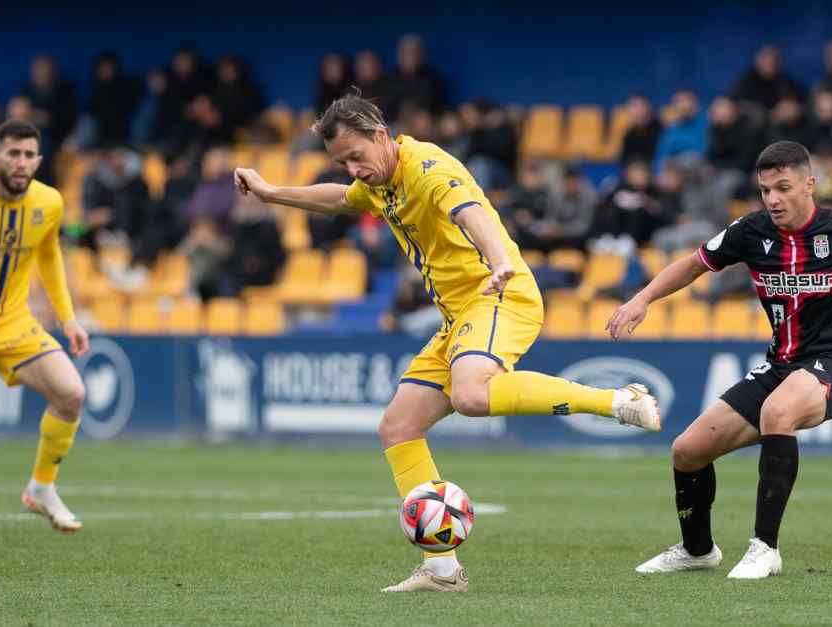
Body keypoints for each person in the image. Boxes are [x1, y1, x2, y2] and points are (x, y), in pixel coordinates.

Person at [234, 93, 661, 592]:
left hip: (501, 295)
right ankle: (441, 570)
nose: (352, 169)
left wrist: (499, 258)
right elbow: (338, 199)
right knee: (398, 426)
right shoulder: (377, 183)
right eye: (342, 162)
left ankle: (617, 400)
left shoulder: (428, 168)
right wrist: (271, 194)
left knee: (472, 394)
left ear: (379, 134)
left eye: (355, 156)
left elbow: (471, 213)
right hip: (459, 317)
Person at [607, 140, 832, 579]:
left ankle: (765, 548)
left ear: (809, 184)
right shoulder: (751, 231)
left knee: (778, 411)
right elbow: (694, 264)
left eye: (783, 187)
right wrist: (642, 298)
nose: (773, 199)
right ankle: (697, 549)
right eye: (765, 190)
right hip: (780, 366)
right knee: (687, 451)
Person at [0, 120, 89, 532]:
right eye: (13, 153)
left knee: (71, 393)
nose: (21, 162)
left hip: (11, 322)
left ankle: (42, 488)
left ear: (40, 160)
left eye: (29, 155)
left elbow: (49, 257)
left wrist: (68, 320)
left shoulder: (50, 202)